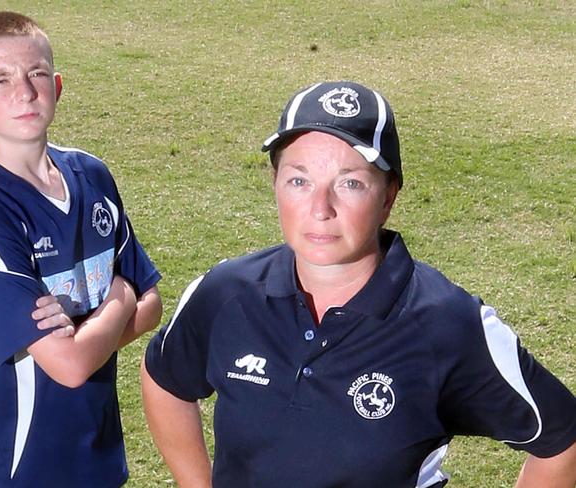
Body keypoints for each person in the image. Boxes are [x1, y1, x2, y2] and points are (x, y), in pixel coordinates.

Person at [141, 81, 576, 487]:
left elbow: (563, 441)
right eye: (299, 180)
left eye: (350, 183)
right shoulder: (226, 293)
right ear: (273, 183)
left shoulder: (448, 323)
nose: (320, 208)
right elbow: (164, 378)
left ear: (388, 196)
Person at [0, 11, 162, 487]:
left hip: (100, 447)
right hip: (31, 466)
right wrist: (118, 299)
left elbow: (154, 306)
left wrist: (84, 339)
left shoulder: (91, 174)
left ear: (56, 85)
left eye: (36, 73)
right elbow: (72, 364)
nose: (24, 91)